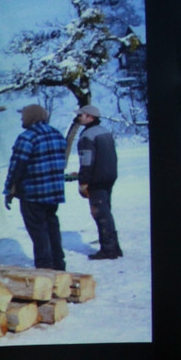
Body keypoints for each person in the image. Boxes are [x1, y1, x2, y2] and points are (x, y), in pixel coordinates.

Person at [3, 104, 67, 270]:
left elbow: (17, 166)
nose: (21, 119)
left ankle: (45, 268)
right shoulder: (57, 134)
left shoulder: (27, 138)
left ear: (31, 117)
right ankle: (59, 264)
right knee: (52, 227)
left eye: (23, 116)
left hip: (33, 193)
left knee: (38, 232)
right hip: (54, 193)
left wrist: (9, 190)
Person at [75, 104, 122, 260]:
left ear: (90, 117)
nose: (78, 117)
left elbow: (86, 161)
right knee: (106, 212)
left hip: (96, 181)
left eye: (81, 115)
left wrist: (83, 181)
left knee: (100, 214)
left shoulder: (87, 136)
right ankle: (114, 247)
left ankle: (109, 250)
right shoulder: (105, 132)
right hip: (109, 177)